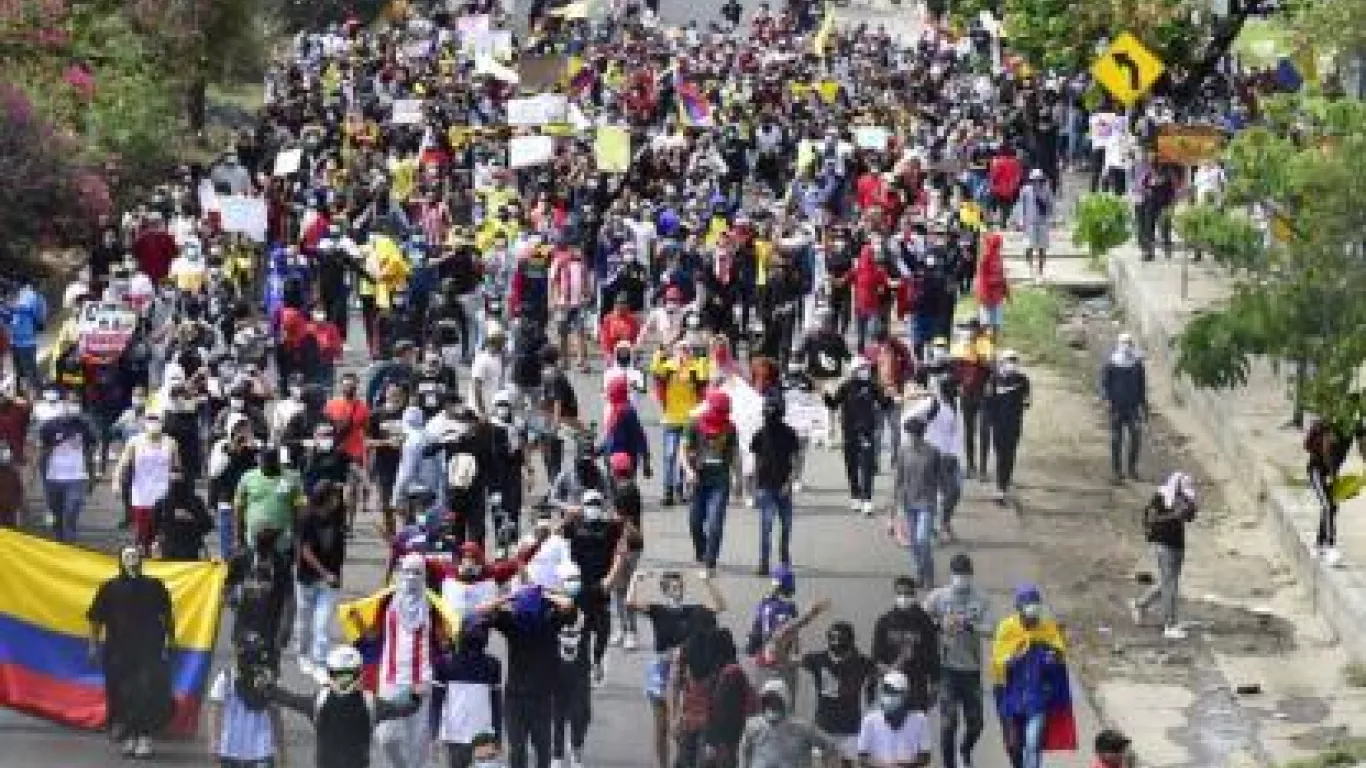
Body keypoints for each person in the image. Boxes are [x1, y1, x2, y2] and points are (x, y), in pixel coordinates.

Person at [628, 570, 727, 768]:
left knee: (683, 726)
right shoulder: (658, 610)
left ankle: (683, 762)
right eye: (674, 587)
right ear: (664, 590)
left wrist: (707, 582)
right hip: (661, 671)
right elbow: (630, 603)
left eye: (681, 587)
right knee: (661, 727)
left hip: (686, 671)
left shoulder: (693, 611)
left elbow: (720, 606)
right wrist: (635, 580)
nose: (678, 590)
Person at [477, 580, 579, 768]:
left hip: (520, 698)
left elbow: (481, 609)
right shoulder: (549, 622)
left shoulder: (513, 624)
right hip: (536, 698)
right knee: (540, 751)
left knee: (521, 751)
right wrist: (544, 593)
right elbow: (568, 604)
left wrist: (511, 596)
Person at [87, 546, 175, 759]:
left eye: (135, 555)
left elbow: (167, 615)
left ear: (140, 560)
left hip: (149, 648)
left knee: (147, 690)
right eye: (127, 556)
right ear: (121, 561)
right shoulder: (109, 587)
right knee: (122, 693)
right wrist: (93, 645)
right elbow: (96, 619)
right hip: (118, 650)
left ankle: (145, 737)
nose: (132, 559)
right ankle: (129, 736)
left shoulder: (155, 585)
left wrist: (170, 641)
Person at [271, 644, 423, 768]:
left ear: (330, 674)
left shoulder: (320, 701)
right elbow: (402, 708)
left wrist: (268, 688)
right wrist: (415, 695)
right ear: (360, 674)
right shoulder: (370, 703)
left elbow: (290, 699)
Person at [991, 585, 1077, 768]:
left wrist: (1053, 656)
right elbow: (998, 660)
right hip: (1009, 694)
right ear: (1019, 607)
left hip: (1037, 694)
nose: (1033, 608)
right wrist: (1014, 657)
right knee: (1013, 745)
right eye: (1028, 603)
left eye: (1036, 603)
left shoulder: (1047, 628)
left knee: (1032, 742)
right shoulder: (1006, 627)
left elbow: (1059, 655)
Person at [923, 554, 991, 768]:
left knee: (976, 723)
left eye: (965, 574)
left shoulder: (981, 599)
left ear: (971, 575)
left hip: (971, 669)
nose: (962, 578)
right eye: (958, 573)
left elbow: (991, 629)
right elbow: (921, 620)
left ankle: (965, 749)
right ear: (951, 574)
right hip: (946, 669)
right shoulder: (938, 597)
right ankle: (949, 764)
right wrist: (939, 625)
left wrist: (969, 626)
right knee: (948, 723)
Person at [1129, 472, 1197, 640]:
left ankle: (1140, 604)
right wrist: (1174, 515)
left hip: (1178, 543)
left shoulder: (1185, 498)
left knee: (1167, 583)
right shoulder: (1160, 496)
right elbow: (1152, 519)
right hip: (1163, 544)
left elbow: (1190, 518)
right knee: (1171, 586)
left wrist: (1189, 511)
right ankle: (1169, 625)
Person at [800, 621, 877, 766]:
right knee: (827, 764)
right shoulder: (817, 659)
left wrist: (901, 660)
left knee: (847, 764)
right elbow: (786, 659)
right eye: (832, 638)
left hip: (850, 729)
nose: (836, 643)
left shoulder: (863, 662)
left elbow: (886, 671)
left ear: (850, 641)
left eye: (840, 639)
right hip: (824, 727)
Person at [206, 630, 286, 768]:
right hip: (231, 750)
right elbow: (215, 710)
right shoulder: (226, 678)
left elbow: (276, 715)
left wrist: (280, 748)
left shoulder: (269, 681)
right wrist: (214, 740)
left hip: (261, 751)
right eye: (248, 654)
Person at [684, 389, 741, 574]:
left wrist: (739, 481)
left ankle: (710, 563)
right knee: (695, 522)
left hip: (720, 481)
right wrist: (689, 471)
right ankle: (701, 551)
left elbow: (735, 455)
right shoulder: (694, 424)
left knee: (715, 522)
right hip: (698, 480)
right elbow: (682, 452)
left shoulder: (730, 428)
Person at [825, 355, 890, 516]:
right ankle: (855, 496)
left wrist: (889, 396)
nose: (865, 370)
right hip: (849, 432)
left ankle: (867, 499)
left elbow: (884, 404)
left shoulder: (873, 386)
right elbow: (833, 404)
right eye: (862, 368)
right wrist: (826, 394)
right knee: (852, 466)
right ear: (854, 370)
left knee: (867, 467)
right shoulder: (846, 386)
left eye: (866, 367)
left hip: (867, 432)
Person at [295, 480, 347, 676]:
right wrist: (325, 573)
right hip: (308, 578)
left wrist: (333, 575)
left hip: (330, 581)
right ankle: (302, 655)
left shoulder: (337, 514)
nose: (337, 499)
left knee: (322, 624)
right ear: (325, 499)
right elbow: (305, 551)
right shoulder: (306, 518)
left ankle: (320, 662)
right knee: (305, 622)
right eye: (334, 495)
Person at [112, 409, 181, 553]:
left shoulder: (171, 442)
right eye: (150, 419)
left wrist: (177, 478)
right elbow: (123, 463)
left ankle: (157, 557)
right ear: (144, 422)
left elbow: (177, 467)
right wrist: (116, 482)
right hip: (141, 494)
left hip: (162, 495)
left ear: (162, 422)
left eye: (156, 419)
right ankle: (142, 555)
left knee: (159, 536)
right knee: (142, 535)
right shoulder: (135, 441)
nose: (153, 423)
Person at [649, 340, 708, 506]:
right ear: (675, 351)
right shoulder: (669, 366)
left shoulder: (695, 367)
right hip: (671, 418)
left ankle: (680, 489)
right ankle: (667, 491)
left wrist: (702, 358)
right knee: (669, 456)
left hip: (689, 419)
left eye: (686, 349)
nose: (683, 352)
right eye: (680, 349)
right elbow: (655, 370)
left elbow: (704, 378)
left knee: (685, 457)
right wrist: (660, 351)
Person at [435, 625, 504, 768]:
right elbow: (496, 704)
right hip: (464, 734)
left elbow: (436, 703)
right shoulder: (445, 663)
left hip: (472, 735)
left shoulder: (492, 665)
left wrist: (434, 734)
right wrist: (498, 736)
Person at [870, 576, 940, 716]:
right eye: (900, 593)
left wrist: (935, 686)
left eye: (908, 593)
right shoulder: (885, 622)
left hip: (917, 686)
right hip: (892, 686)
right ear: (895, 594)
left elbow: (933, 655)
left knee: (915, 726)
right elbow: (876, 658)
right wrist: (889, 670)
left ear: (914, 594)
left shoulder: (925, 622)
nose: (904, 597)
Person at [750, 393, 800, 575]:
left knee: (786, 526)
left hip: (784, 485)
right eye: (767, 410)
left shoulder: (790, 433)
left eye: (772, 410)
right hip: (765, 487)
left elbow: (796, 460)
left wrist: (790, 482)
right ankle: (764, 563)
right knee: (767, 526)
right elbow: (756, 462)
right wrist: (755, 488)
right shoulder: (759, 435)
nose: (769, 415)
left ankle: (784, 560)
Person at [737, 678, 838, 768]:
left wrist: (829, 762)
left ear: (784, 700)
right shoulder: (753, 725)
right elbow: (743, 751)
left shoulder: (802, 728)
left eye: (776, 700)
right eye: (768, 700)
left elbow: (830, 746)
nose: (772, 704)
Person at [892, 414, 944, 588]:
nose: (912, 438)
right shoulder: (903, 451)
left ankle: (928, 575)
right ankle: (919, 573)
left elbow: (939, 477)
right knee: (913, 542)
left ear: (921, 434)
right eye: (909, 435)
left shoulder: (933, 452)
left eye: (915, 435)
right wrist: (895, 503)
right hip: (909, 502)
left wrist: (940, 498)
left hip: (927, 502)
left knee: (923, 540)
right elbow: (899, 478)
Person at [37, 395, 97, 542]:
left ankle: (70, 539)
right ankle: (58, 538)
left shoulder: (84, 426)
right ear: (63, 404)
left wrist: (92, 476)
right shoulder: (49, 426)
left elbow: (90, 452)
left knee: (71, 510)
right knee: (55, 514)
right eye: (71, 402)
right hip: (54, 478)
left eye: (77, 402)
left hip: (77, 477)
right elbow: (41, 452)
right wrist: (44, 477)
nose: (74, 406)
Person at [855, 671, 932, 768]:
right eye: (886, 691)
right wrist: (884, 766)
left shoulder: (920, 720)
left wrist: (905, 765)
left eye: (894, 692)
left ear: (905, 695)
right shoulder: (870, 720)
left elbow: (925, 756)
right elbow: (862, 757)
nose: (888, 696)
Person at [983, 350, 1030, 503]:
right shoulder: (994, 380)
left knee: (1010, 455)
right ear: (1002, 362)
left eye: (1014, 361)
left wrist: (1022, 402)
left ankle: (1002, 487)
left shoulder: (1023, 380)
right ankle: (1000, 486)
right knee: (1000, 455)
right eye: (1009, 360)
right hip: (998, 425)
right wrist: (991, 420)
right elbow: (988, 403)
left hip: (1014, 424)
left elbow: (1027, 401)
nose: (1012, 363)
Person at [1101, 333, 1147, 483]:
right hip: (1117, 407)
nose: (1126, 345)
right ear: (1119, 344)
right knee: (1116, 439)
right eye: (1124, 342)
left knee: (1136, 437)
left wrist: (1144, 406)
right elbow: (1105, 385)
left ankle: (1132, 469)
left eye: (1129, 342)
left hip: (1133, 408)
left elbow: (1142, 387)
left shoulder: (1137, 365)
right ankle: (1117, 472)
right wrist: (1107, 401)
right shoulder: (1111, 364)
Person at [152, 472, 213, 560]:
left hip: (190, 550)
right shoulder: (162, 504)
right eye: (174, 483)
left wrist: (191, 519)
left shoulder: (195, 502)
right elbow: (154, 527)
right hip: (170, 551)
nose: (177, 488)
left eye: (179, 483)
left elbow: (208, 525)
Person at [1018, 169, 1053, 280]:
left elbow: (1050, 206)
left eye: (1039, 179)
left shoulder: (1046, 190)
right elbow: (1021, 205)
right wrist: (1021, 220)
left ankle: (1040, 272)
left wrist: (1049, 218)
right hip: (1029, 223)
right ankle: (1030, 269)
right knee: (1029, 246)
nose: (1037, 182)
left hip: (1042, 222)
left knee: (1042, 248)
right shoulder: (1025, 190)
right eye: (1034, 179)